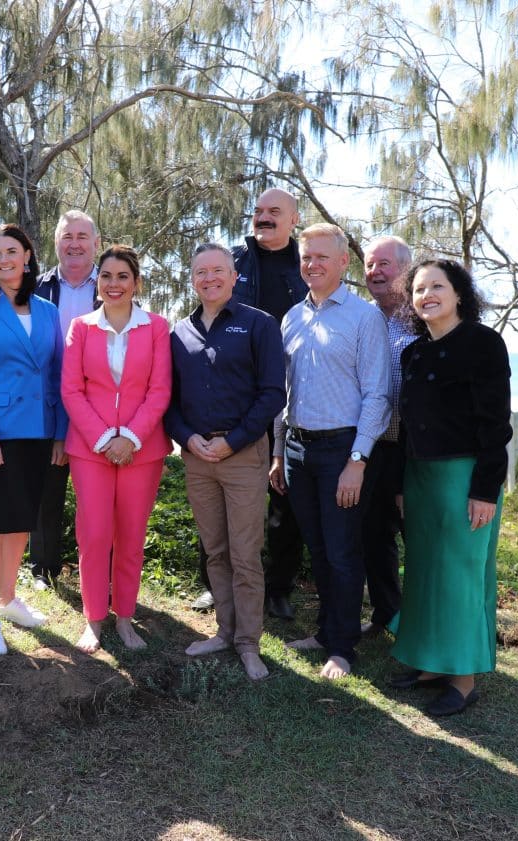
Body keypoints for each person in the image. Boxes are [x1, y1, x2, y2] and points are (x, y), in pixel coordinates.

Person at [388, 259, 512, 716]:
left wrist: (485, 490)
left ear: (460, 293)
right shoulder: (413, 353)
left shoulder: (483, 344)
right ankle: (429, 664)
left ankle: (462, 679)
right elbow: (407, 426)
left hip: (465, 478)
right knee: (423, 573)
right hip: (420, 478)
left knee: (459, 577)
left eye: (437, 286)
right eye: (418, 289)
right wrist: (402, 483)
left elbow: (496, 425)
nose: (427, 296)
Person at [271, 223, 390, 679]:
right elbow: (286, 392)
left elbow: (377, 395)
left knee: (342, 552)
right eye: (306, 257)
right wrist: (280, 452)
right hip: (299, 449)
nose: (312, 264)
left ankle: (342, 647)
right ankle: (325, 631)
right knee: (318, 549)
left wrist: (357, 461)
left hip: (344, 450)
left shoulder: (364, 317)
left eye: (322, 256)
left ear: (343, 262)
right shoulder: (292, 317)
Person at [166, 243, 285, 680]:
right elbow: (168, 400)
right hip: (197, 457)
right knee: (215, 551)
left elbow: (273, 393)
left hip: (242, 455)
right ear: (192, 279)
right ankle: (224, 631)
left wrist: (232, 442)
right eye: (201, 272)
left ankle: (249, 644)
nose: (210, 278)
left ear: (235, 277)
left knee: (245, 553)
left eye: (218, 270)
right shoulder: (178, 333)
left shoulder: (259, 325)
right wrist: (187, 438)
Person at [0, 224, 68, 656]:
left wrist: (60, 432)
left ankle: (8, 598)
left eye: (12, 251)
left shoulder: (47, 309)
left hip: (39, 429)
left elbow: (57, 374)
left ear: (27, 256)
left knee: (23, 519)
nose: (4, 259)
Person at [61, 245, 171, 653]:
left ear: (136, 282)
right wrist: (107, 439)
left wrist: (131, 438)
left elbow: (160, 390)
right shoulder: (81, 328)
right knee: (94, 535)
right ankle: (94, 619)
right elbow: (71, 391)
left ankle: (125, 618)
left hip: (143, 449)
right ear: (97, 283)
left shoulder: (157, 327)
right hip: (91, 450)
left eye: (122, 276)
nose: (114, 284)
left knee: (130, 535)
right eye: (106, 276)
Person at [217, 186, 307, 621]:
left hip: (290, 396)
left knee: (284, 498)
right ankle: (217, 583)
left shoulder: (306, 265)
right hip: (235, 396)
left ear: (294, 220)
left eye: (274, 211)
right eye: (258, 211)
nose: (263, 217)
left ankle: (278, 587)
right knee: (227, 489)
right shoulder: (233, 260)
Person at [30, 210, 102, 590]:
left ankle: (98, 565)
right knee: (46, 486)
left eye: (82, 236)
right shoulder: (36, 288)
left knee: (97, 490)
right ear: (56, 242)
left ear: (96, 243)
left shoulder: (110, 285)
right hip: (47, 401)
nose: (74, 243)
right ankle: (43, 566)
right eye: (67, 236)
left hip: (98, 403)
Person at [359, 236, 416, 636]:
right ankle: (385, 615)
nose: (375, 272)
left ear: (405, 271)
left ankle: (422, 622)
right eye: (368, 265)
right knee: (373, 536)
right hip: (372, 446)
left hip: (416, 448)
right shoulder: (361, 319)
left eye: (384, 264)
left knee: (419, 537)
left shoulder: (424, 318)